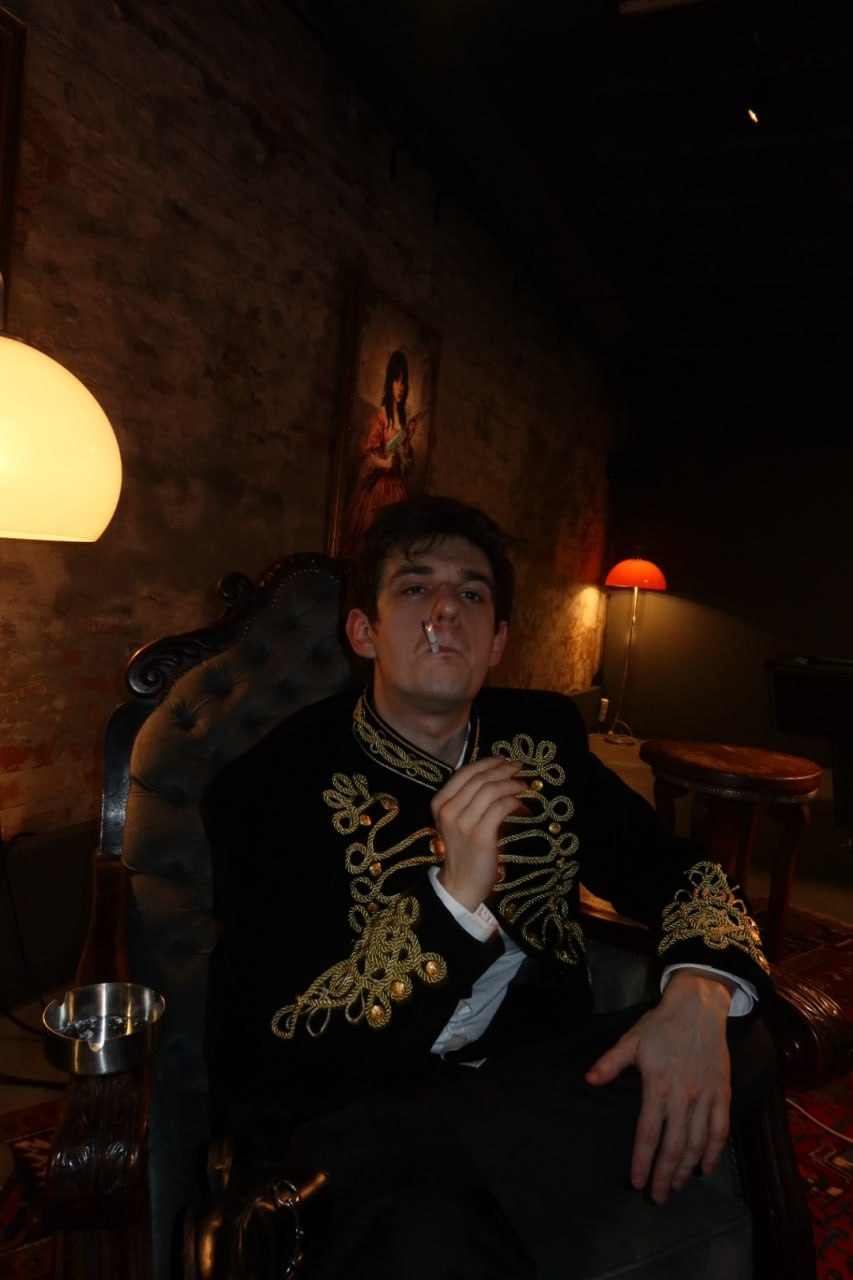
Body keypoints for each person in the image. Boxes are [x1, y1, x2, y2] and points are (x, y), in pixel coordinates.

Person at [202, 495, 774, 1279]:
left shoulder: (543, 738)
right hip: (372, 1086)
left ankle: (325, 1185)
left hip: (532, 1075)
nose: (445, 609)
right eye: (414, 587)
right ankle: (455, 1173)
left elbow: (674, 869)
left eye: (471, 594)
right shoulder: (268, 788)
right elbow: (275, 1045)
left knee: (740, 1032)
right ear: (363, 632)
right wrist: (452, 899)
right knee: (420, 1242)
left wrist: (696, 999)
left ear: (497, 641)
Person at [342, 349, 427, 550]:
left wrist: (407, 440)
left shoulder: (404, 421)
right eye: (396, 380)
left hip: (398, 488)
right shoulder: (380, 417)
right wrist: (384, 463)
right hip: (378, 490)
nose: (400, 387)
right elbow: (369, 455)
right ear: (389, 381)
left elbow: (407, 463)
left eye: (403, 382)